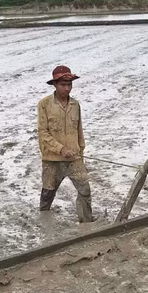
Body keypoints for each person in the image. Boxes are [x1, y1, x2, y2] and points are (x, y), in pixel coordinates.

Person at [37, 65, 95, 222]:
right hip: (52, 160)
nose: (67, 88)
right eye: (63, 85)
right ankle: (44, 220)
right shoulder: (44, 104)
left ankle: (87, 223)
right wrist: (60, 149)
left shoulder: (76, 105)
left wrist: (80, 153)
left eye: (70, 85)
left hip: (74, 158)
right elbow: (43, 133)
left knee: (85, 190)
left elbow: (79, 131)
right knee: (48, 192)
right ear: (55, 85)